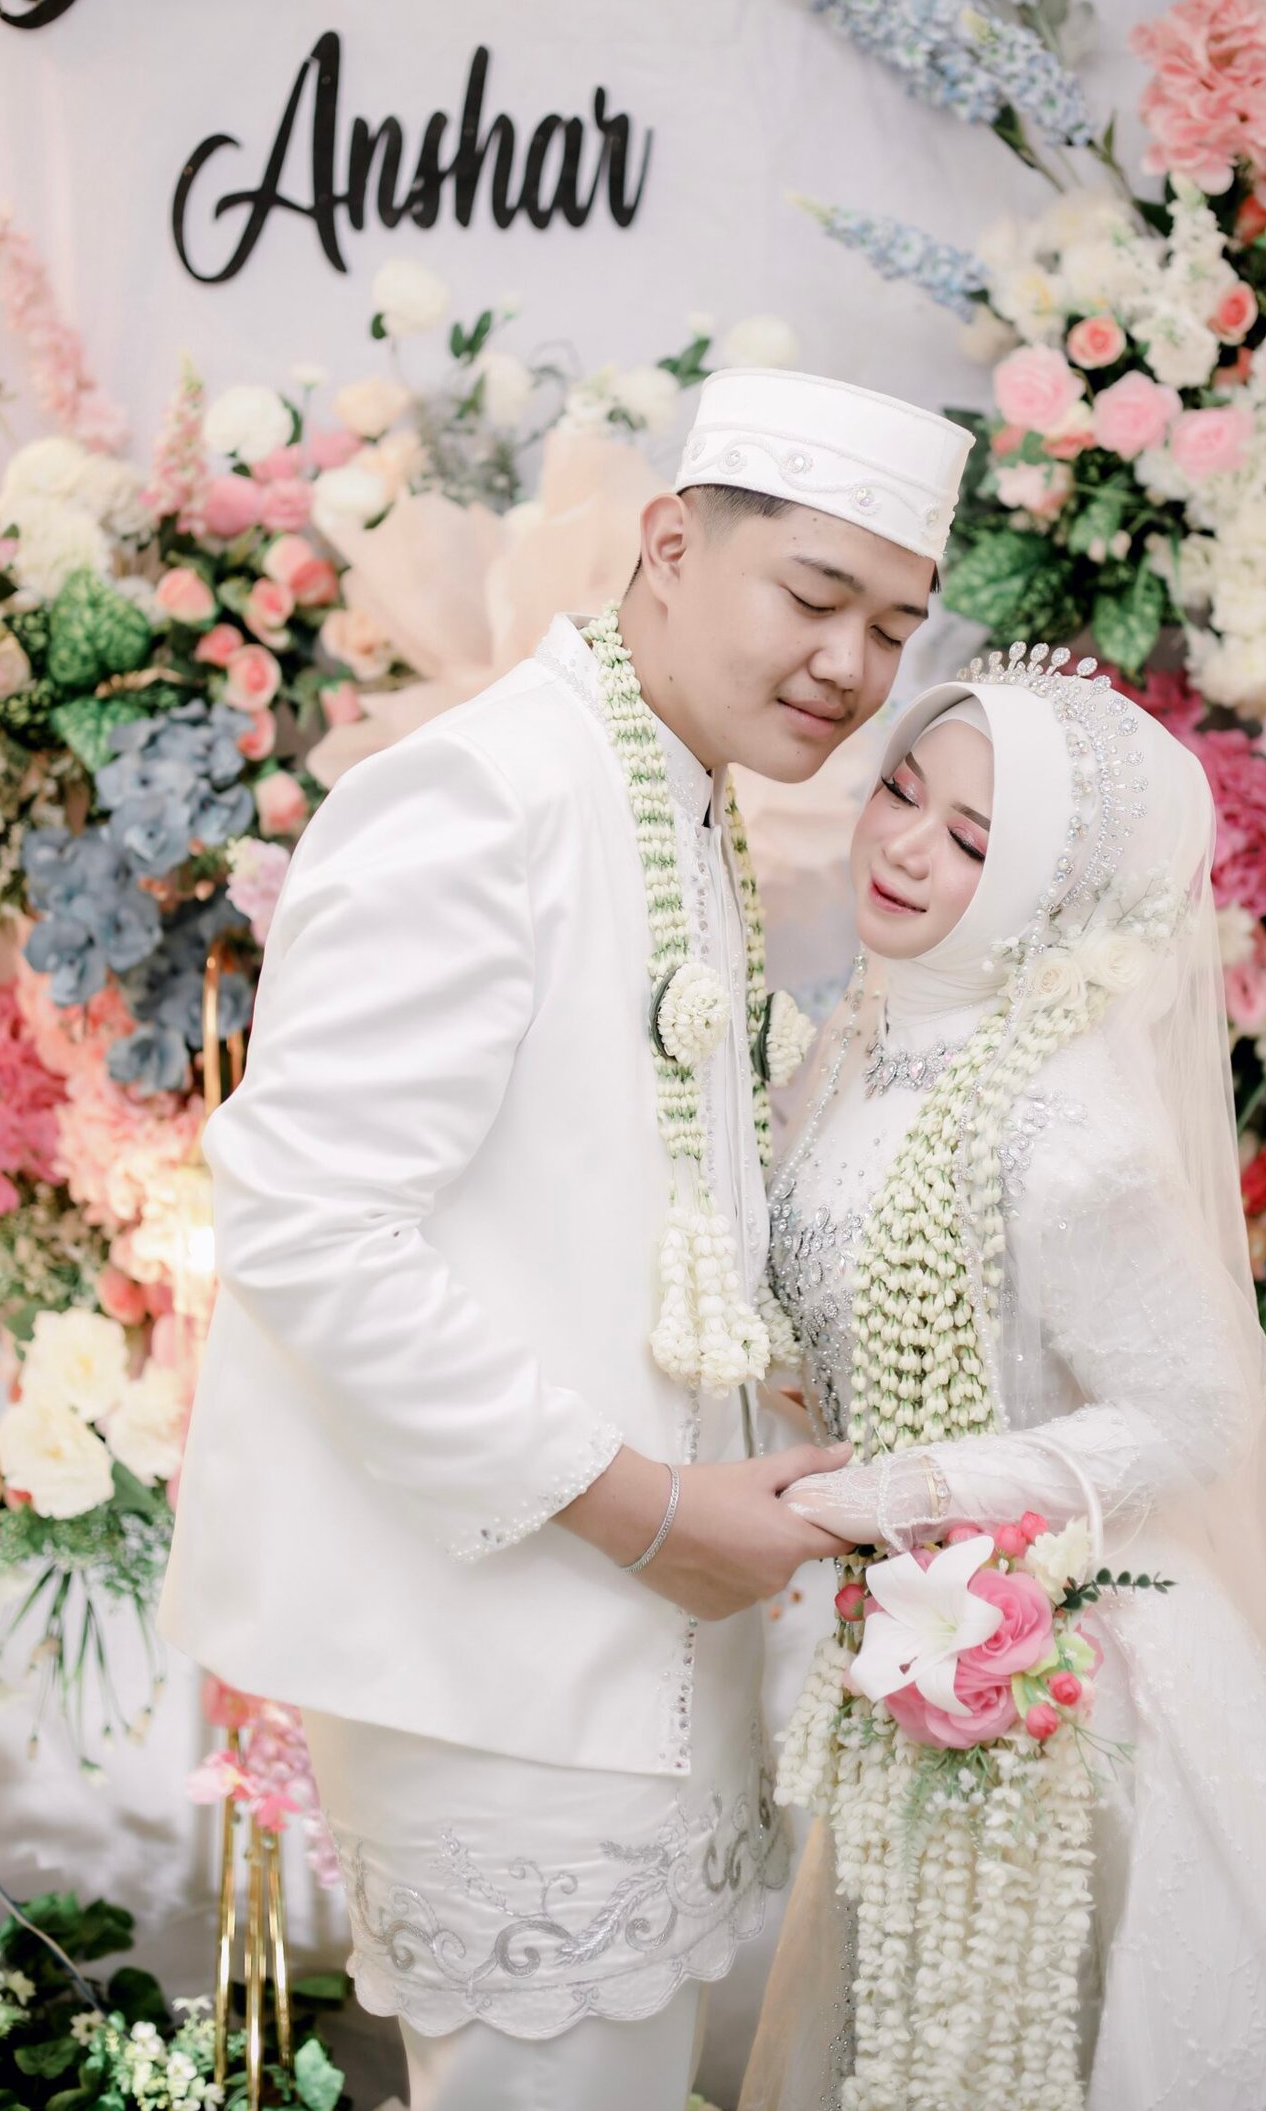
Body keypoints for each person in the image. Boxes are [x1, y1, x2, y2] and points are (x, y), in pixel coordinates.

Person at [159, 368, 976, 2111]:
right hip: (501, 1654)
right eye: (815, 596)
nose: (850, 664)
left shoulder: (677, 792)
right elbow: (308, 1226)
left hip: (634, 1642)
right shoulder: (485, 793)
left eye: (895, 628)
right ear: (670, 545)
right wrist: (654, 1514)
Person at [744, 651, 1266, 2111]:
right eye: (899, 791)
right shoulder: (867, 1041)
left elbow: (1196, 1415)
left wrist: (906, 1490)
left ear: (1044, 890)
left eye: (972, 839)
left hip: (1076, 1673)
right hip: (910, 1633)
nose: (904, 846)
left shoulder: (1066, 1131)